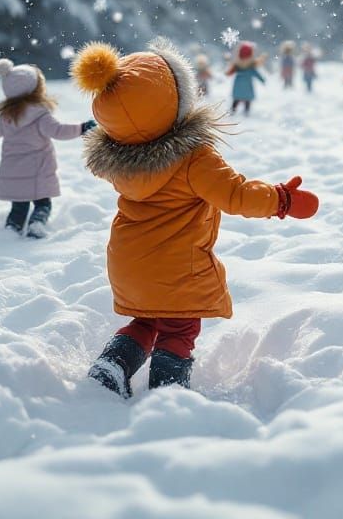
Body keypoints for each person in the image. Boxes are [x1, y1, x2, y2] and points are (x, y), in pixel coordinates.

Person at [72, 38, 319, 396]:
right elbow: (236, 195)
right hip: (178, 267)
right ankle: (167, 387)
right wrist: (281, 200)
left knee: (146, 319)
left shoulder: (121, 162)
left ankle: (113, 364)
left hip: (128, 262)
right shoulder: (193, 158)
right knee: (179, 328)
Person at [0, 58, 93, 238]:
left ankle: (11, 230)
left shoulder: (7, 116)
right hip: (39, 170)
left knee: (19, 206)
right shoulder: (40, 114)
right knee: (43, 203)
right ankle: (36, 223)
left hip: (14, 171)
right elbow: (59, 131)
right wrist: (82, 128)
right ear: (37, 88)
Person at [227, 41, 266, 114]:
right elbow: (257, 74)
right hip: (248, 88)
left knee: (236, 100)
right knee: (247, 101)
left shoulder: (237, 66)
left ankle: (233, 111)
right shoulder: (251, 67)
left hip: (238, 88)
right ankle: (245, 112)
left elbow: (229, 73)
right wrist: (262, 80)